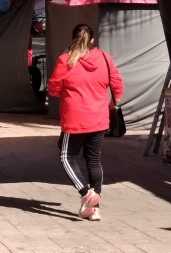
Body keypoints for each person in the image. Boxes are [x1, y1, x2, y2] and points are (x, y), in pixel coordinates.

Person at [47, 24, 123, 222]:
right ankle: (94, 209)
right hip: (99, 119)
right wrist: (112, 104)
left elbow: (54, 89)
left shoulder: (65, 60)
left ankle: (86, 193)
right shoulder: (105, 58)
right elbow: (117, 84)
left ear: (73, 39)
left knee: (66, 156)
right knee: (94, 161)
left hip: (75, 119)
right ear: (92, 41)